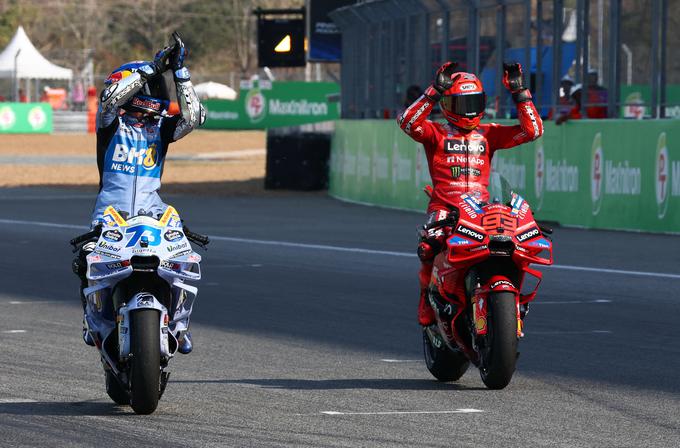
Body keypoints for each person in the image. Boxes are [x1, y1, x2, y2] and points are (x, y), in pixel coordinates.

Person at [73, 32, 205, 352]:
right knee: (86, 258)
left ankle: (179, 324)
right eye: (152, 86)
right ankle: (95, 322)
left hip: (154, 213)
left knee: (184, 256)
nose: (157, 90)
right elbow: (109, 100)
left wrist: (179, 72)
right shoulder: (111, 123)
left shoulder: (160, 129)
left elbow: (194, 117)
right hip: (111, 214)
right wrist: (151, 68)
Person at [397, 60, 543, 327]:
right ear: (446, 105)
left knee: (508, 243)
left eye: (474, 102)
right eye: (461, 104)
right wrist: (433, 91)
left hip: (480, 208)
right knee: (429, 245)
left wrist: (520, 92)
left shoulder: (490, 134)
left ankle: (508, 301)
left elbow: (532, 130)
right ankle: (425, 296)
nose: (468, 110)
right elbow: (406, 122)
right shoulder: (436, 132)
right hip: (444, 206)